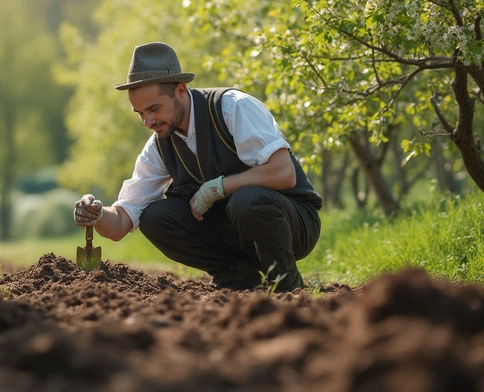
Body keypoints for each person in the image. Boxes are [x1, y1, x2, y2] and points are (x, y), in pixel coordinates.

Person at [73, 42, 322, 291]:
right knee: (154, 217)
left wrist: (219, 188)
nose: (147, 121)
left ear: (181, 91)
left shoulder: (233, 107)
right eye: (140, 113)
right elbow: (121, 223)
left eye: (154, 109)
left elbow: (283, 173)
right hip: (236, 232)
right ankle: (238, 278)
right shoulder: (159, 145)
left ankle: (288, 285)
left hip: (294, 224)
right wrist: (97, 214)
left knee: (247, 199)